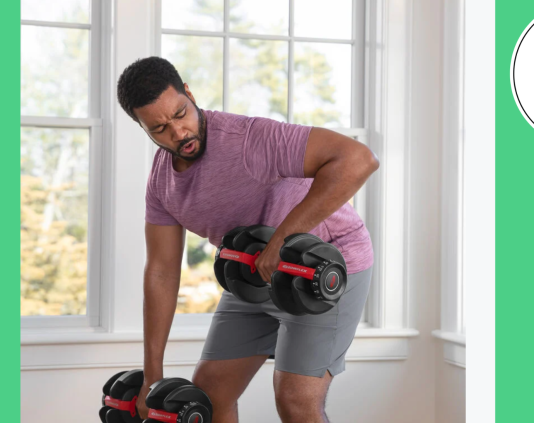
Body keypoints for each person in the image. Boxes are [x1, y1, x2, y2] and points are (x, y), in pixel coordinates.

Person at [116, 56, 378, 423]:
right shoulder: (162, 185)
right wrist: (152, 374)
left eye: (180, 114)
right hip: (252, 275)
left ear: (189, 94)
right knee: (211, 392)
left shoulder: (250, 140)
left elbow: (358, 159)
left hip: (322, 266)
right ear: (141, 127)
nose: (178, 133)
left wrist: (283, 240)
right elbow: (161, 272)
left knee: (295, 400)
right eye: (159, 128)